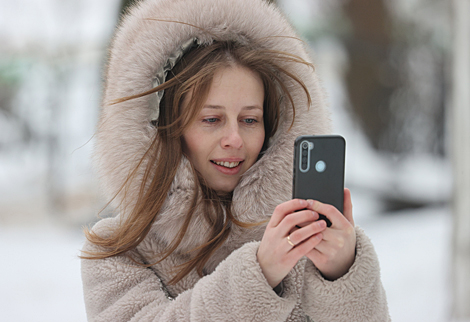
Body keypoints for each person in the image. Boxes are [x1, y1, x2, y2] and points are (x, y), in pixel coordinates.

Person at [81, 0, 390, 321]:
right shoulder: (120, 250)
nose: (235, 139)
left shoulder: (306, 239)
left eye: (250, 120)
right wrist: (258, 274)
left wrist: (342, 275)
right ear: (167, 129)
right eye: (212, 119)